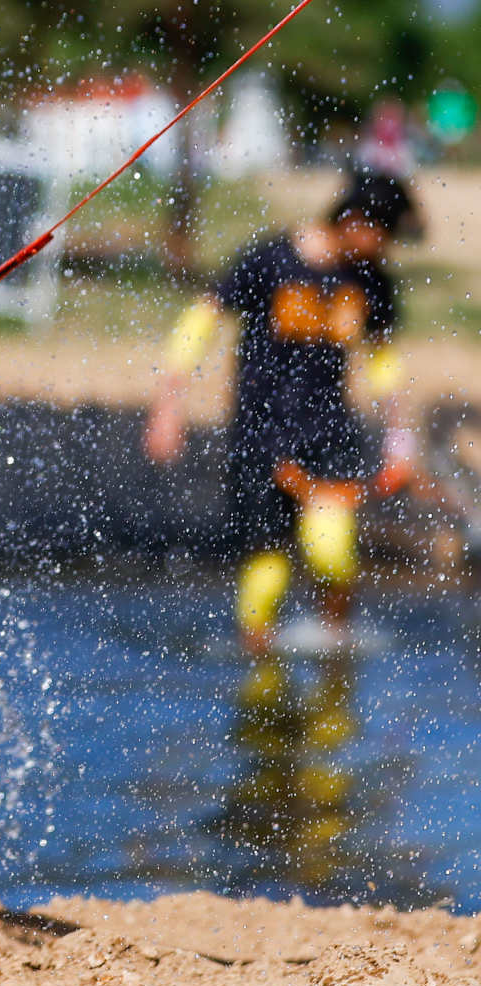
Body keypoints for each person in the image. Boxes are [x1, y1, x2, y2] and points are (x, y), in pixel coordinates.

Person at [144, 173, 420, 653]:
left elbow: (383, 359)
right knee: (264, 574)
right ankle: (260, 672)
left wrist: (400, 438)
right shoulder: (271, 260)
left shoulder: (371, 278)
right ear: (356, 220)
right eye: (384, 235)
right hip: (260, 435)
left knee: (331, 552)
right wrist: (169, 406)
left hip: (329, 432)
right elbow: (203, 319)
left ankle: (336, 654)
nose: (385, 248)